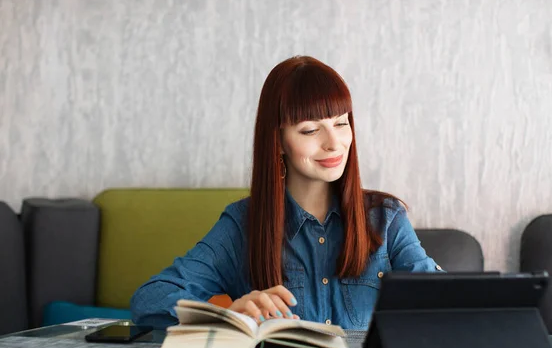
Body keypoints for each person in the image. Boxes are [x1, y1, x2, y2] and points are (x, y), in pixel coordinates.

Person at [130, 55, 442, 330]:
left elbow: (444, 298)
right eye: (310, 129)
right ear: (277, 141)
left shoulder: (385, 218)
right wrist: (225, 315)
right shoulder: (243, 224)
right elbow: (150, 299)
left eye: (341, 123)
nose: (334, 142)